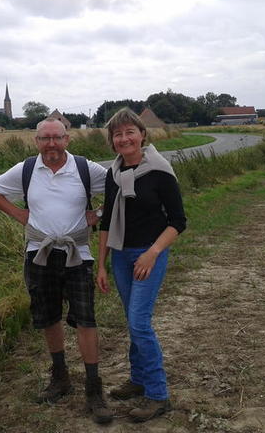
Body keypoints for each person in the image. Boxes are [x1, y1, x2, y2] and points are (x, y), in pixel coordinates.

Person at [0, 118, 113, 424]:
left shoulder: (85, 169)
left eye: (57, 138)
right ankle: (60, 377)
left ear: (67, 139)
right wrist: (19, 214)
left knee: (86, 319)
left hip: (77, 254)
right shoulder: (27, 170)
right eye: (45, 139)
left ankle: (94, 389)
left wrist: (99, 214)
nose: (51, 144)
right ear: (36, 141)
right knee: (48, 317)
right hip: (39, 255)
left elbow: (117, 188)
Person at [96, 107, 186, 423]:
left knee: (139, 322)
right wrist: (102, 265)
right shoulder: (113, 174)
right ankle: (138, 379)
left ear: (142, 135)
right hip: (120, 255)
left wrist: (153, 253)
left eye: (129, 132)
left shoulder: (160, 171)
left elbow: (178, 221)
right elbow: (106, 220)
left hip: (150, 255)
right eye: (117, 134)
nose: (124, 138)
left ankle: (158, 394)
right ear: (112, 141)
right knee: (131, 320)